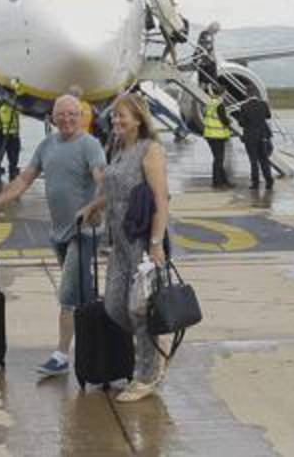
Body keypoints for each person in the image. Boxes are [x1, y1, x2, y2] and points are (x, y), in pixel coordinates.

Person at [0, 95, 106, 378]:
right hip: (58, 231)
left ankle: (61, 356)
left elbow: (102, 180)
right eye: (62, 115)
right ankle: (94, 341)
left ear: (81, 116)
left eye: (73, 114)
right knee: (81, 292)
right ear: (53, 118)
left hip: (84, 231)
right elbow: (24, 180)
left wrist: (95, 207)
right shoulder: (47, 145)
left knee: (68, 294)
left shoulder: (90, 145)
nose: (67, 119)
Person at [76, 94, 171, 402]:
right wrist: (94, 205)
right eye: (114, 117)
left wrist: (156, 244)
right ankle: (155, 344)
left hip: (143, 240)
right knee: (115, 306)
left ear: (139, 119)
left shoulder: (150, 150)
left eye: (123, 117)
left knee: (138, 307)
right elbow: (115, 191)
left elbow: (161, 200)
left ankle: (147, 374)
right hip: (117, 242)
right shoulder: (117, 148)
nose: (116, 121)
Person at [236, 94, 274, 190]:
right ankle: (269, 181)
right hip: (262, 136)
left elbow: (241, 123)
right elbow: (268, 116)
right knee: (264, 160)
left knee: (253, 161)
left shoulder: (244, 106)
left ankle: (255, 183)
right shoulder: (263, 104)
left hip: (250, 137)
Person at [202, 85, 232, 188]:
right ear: (222, 94)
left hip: (209, 135)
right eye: (225, 93)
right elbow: (224, 120)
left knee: (217, 159)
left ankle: (224, 181)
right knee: (218, 160)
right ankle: (217, 182)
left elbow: (206, 116)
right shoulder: (219, 105)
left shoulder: (210, 103)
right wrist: (229, 122)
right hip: (217, 135)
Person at [0, 88, 23, 180]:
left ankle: (12, 167)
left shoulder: (2, 109)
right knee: (15, 152)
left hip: (6, 134)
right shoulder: (10, 109)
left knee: (10, 152)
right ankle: (13, 168)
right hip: (13, 134)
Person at [194, 22, 220, 89]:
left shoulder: (208, 35)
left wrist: (214, 57)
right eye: (216, 31)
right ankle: (209, 88)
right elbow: (205, 46)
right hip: (204, 60)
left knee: (205, 79)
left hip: (205, 60)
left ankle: (210, 87)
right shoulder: (206, 34)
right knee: (205, 79)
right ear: (213, 29)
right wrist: (211, 57)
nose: (216, 33)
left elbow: (210, 48)